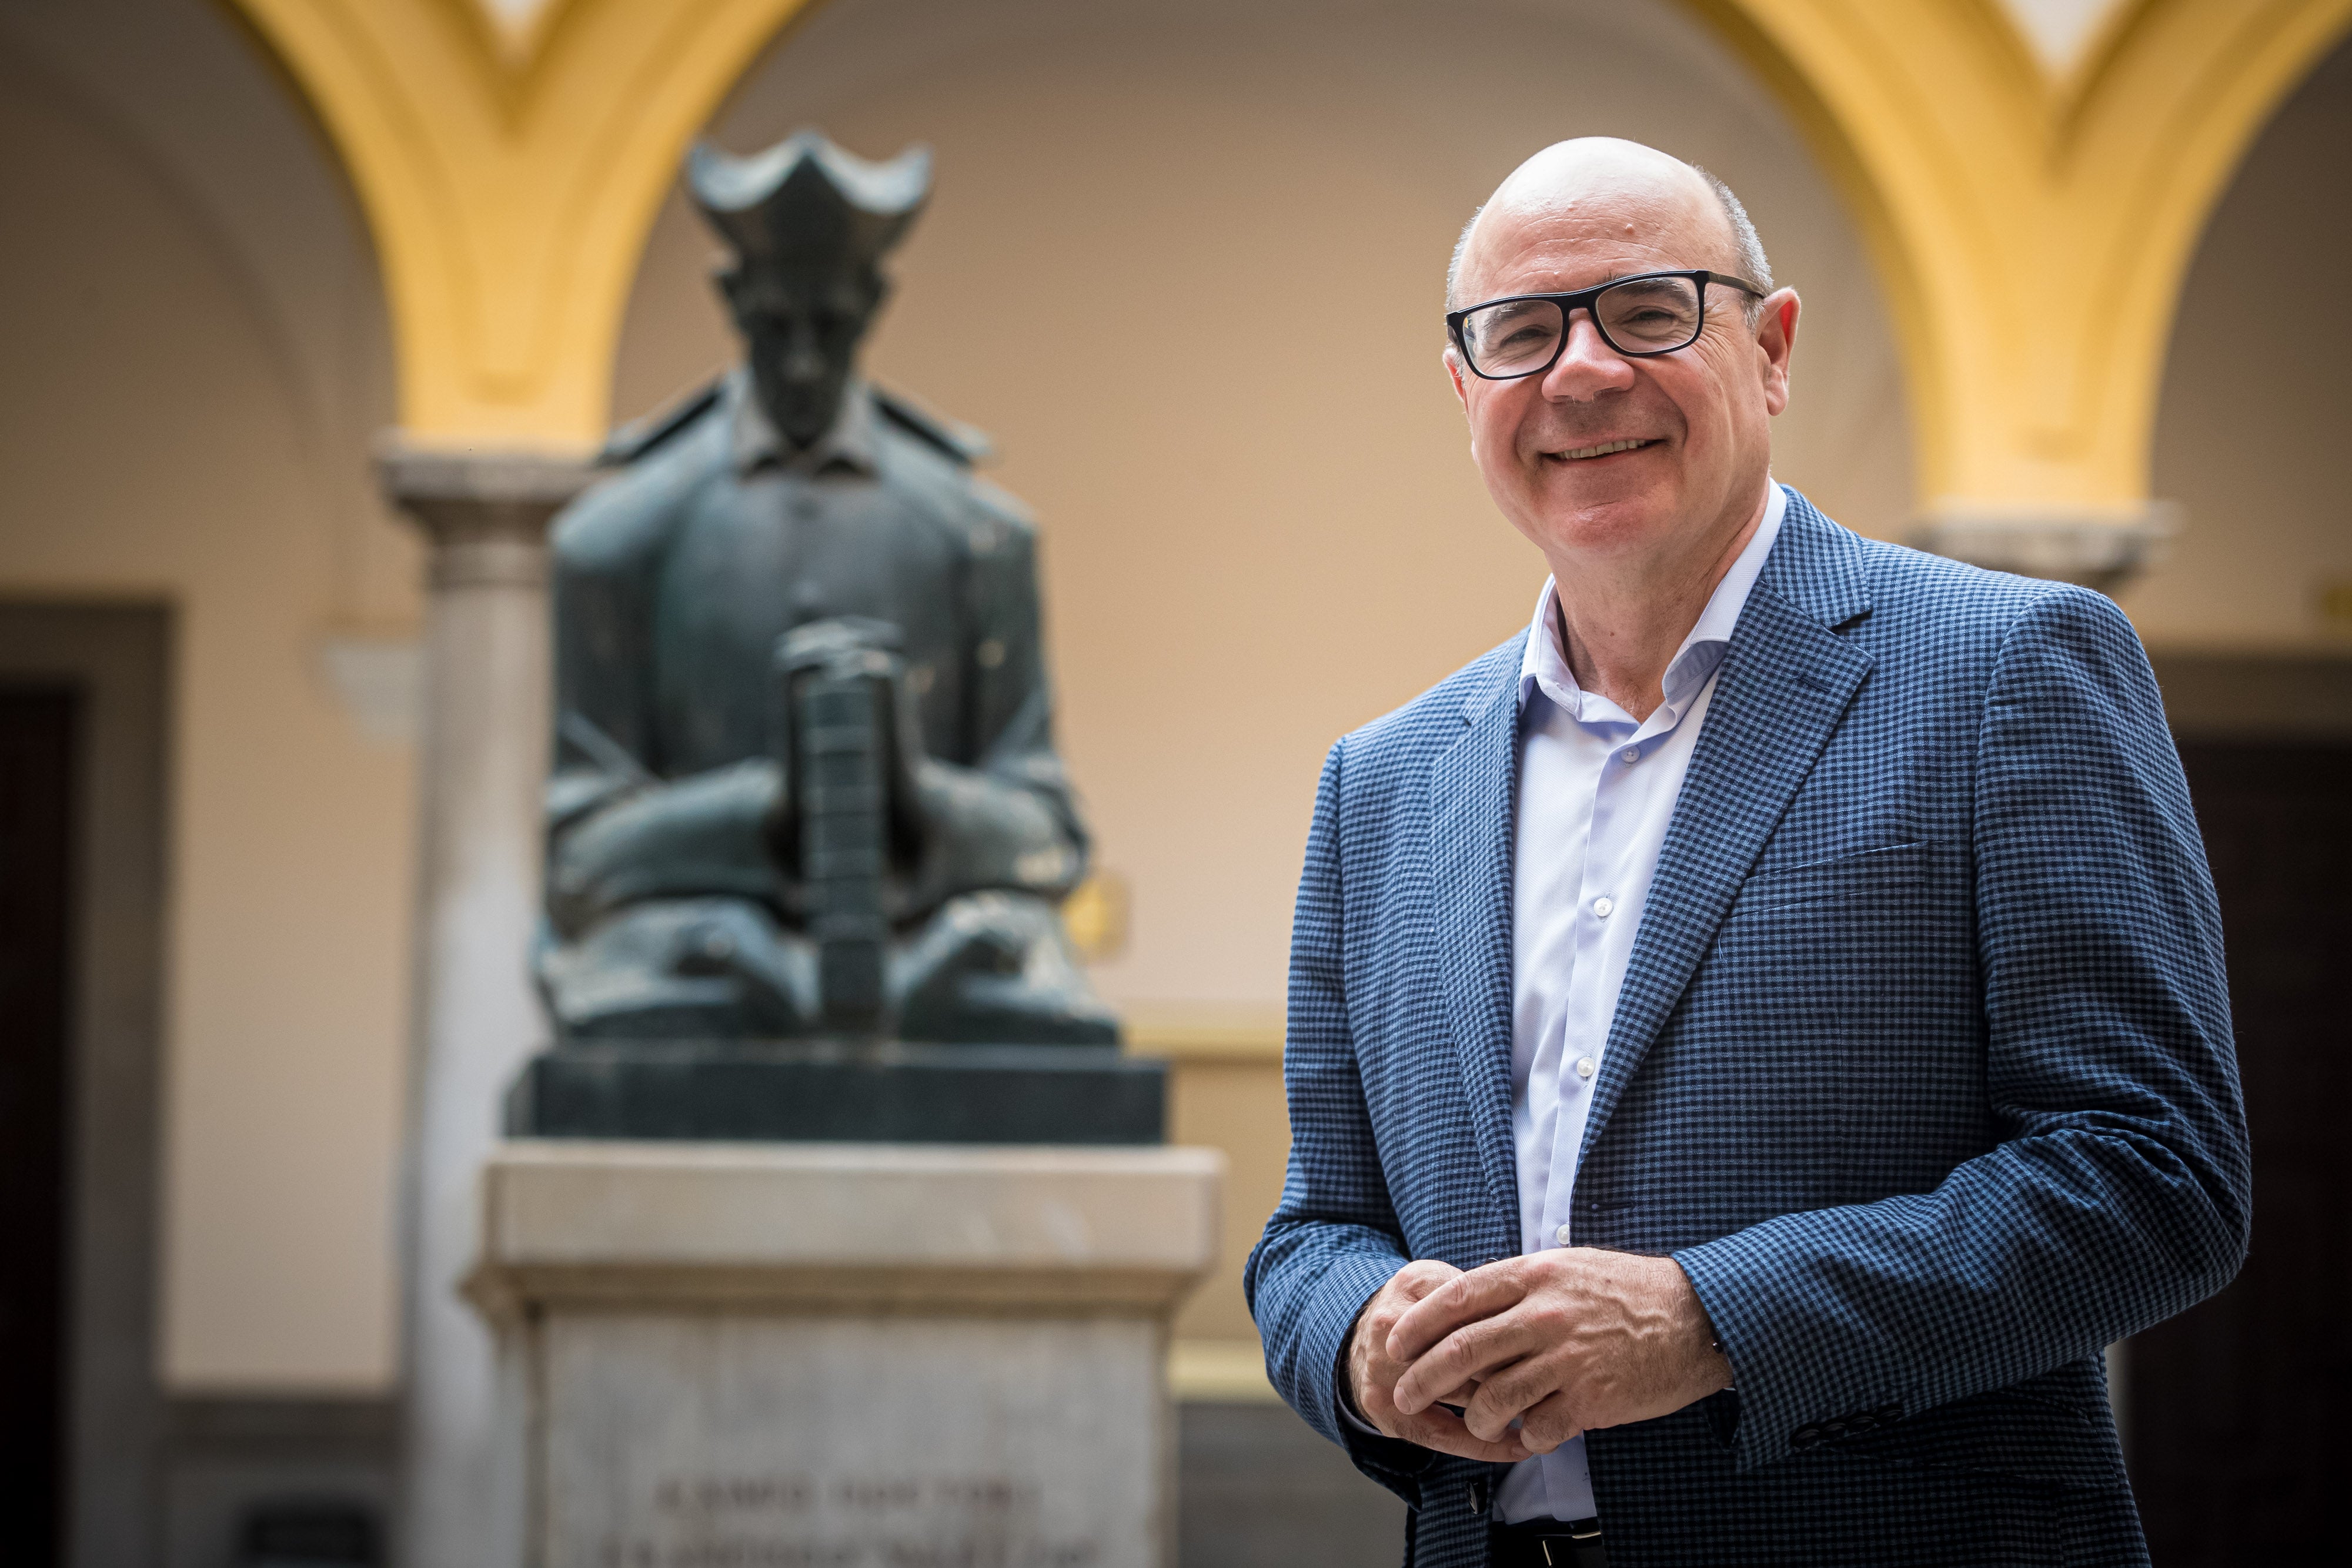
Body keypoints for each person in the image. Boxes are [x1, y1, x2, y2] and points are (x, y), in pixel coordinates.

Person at [1243, 138, 2250, 1567]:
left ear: (1770, 349)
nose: (1580, 372)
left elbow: (2155, 1177)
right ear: (1463, 392)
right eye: (1520, 334)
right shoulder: (1382, 784)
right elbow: (1313, 1228)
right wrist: (1355, 1337)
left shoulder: (2006, 669)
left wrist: (1705, 1321)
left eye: (1648, 310)